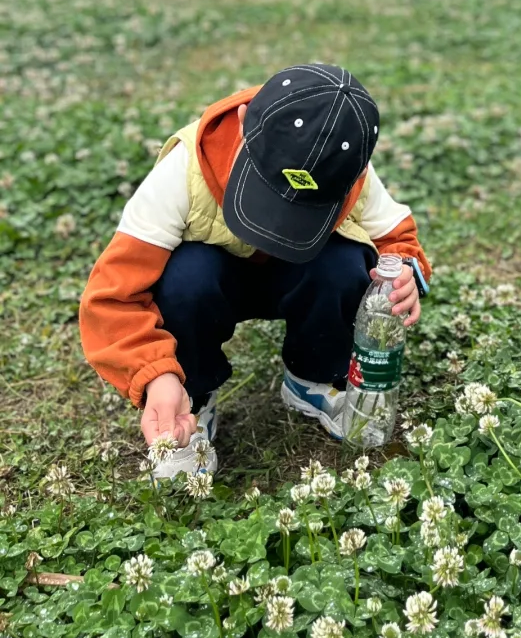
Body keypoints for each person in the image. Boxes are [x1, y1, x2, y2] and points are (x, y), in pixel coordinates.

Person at [80, 63, 430, 477]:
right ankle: (190, 397)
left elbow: (398, 239)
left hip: (302, 275)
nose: (279, 227)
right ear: (245, 122)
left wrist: (404, 271)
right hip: (212, 283)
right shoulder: (183, 170)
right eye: (266, 195)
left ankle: (313, 379)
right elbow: (111, 297)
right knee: (183, 278)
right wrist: (156, 375)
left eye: (301, 211)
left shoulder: (346, 170)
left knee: (345, 262)